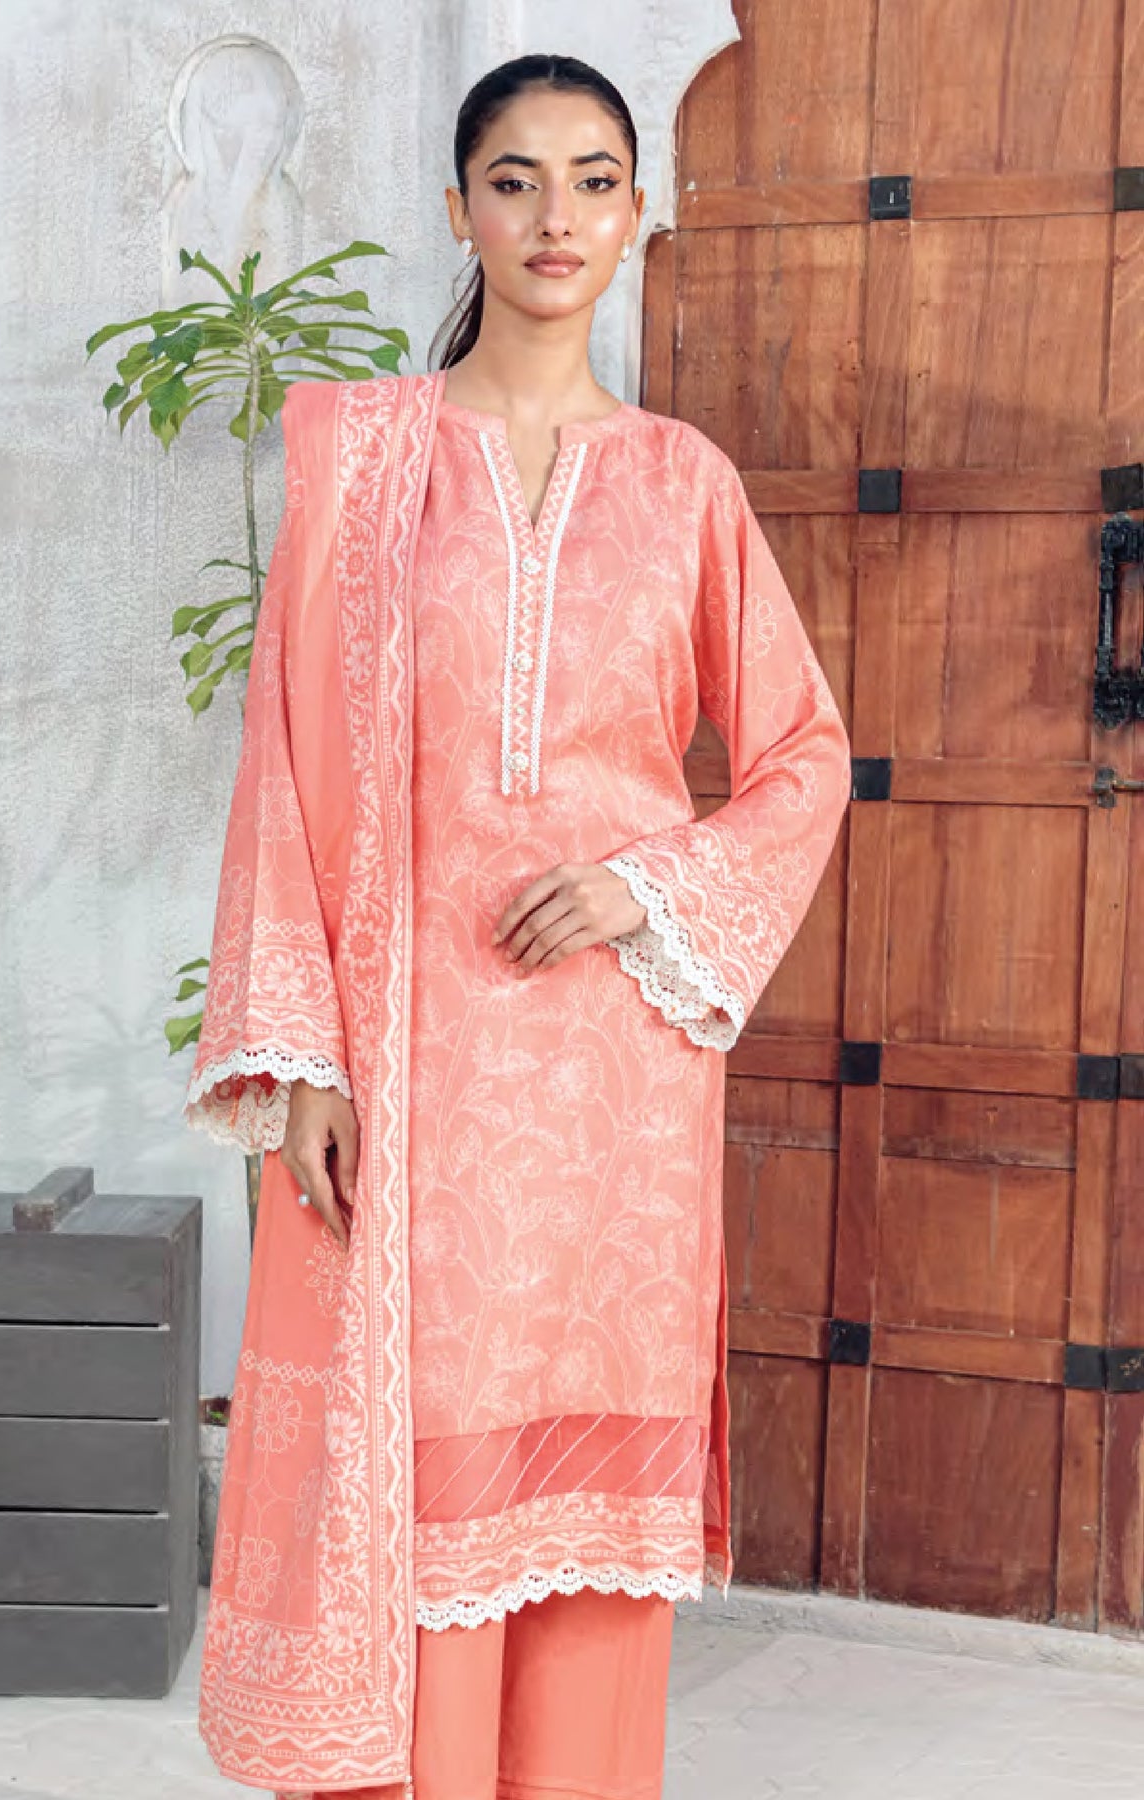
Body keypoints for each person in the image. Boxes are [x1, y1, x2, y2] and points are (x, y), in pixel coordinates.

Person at [184, 51, 851, 1800]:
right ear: (459, 207)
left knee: (581, 1502)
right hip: (412, 1061)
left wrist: (649, 883)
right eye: (515, 178)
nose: (556, 216)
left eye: (594, 180)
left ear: (636, 216)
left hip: (613, 1079)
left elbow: (801, 756)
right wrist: (306, 1058)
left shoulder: (682, 482)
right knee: (405, 1469)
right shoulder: (364, 460)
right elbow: (286, 765)